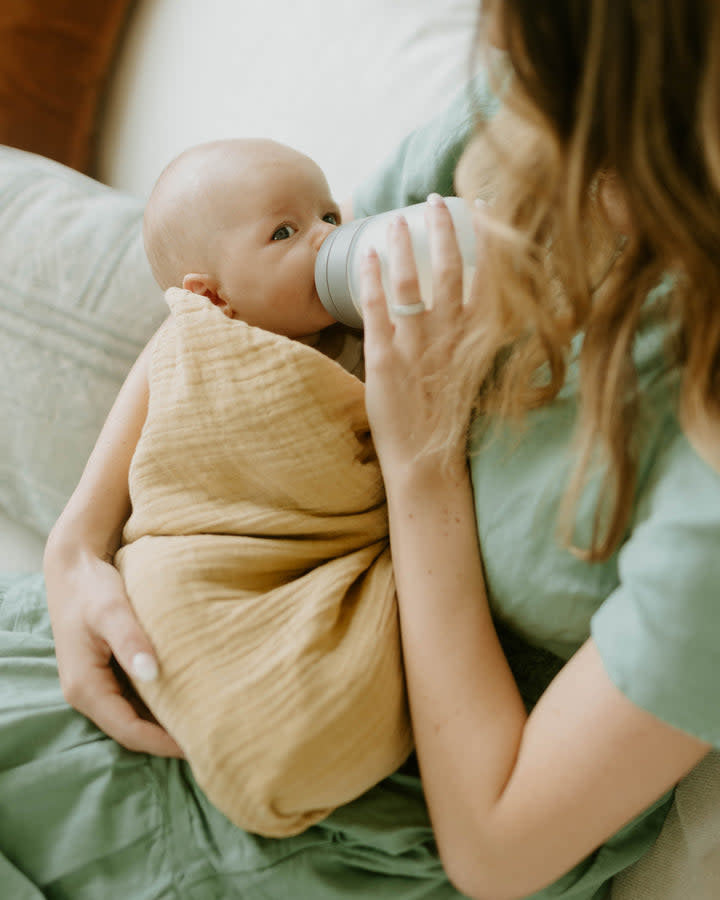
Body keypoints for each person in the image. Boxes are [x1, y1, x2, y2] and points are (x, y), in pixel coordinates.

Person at [27, 1, 719, 898]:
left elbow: (498, 848)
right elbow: (236, 303)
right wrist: (77, 540)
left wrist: (422, 461)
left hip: (328, 826)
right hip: (178, 643)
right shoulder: (531, 115)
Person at [104, 136, 410, 838]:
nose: (329, 239)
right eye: (285, 232)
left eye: (329, 215)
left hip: (314, 564)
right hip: (198, 558)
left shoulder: (356, 331)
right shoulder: (204, 352)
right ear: (212, 297)